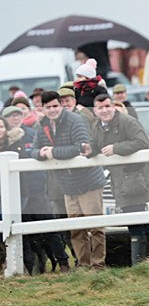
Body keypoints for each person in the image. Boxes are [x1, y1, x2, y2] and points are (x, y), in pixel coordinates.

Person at [32, 91, 107, 270]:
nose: (52, 110)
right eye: (48, 107)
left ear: (61, 105)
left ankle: (98, 264)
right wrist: (41, 154)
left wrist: (53, 152)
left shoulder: (75, 120)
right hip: (67, 185)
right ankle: (83, 264)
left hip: (88, 182)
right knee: (75, 229)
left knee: (95, 226)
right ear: (42, 108)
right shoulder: (43, 125)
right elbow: (34, 149)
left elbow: (81, 147)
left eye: (55, 106)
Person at [0, 111, 71, 273]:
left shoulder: (22, 139)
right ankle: (24, 267)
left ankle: (63, 262)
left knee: (49, 227)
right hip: (8, 196)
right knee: (17, 232)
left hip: (32, 191)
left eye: (2, 126)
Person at [89, 94, 149, 263]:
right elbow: (96, 145)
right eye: (100, 108)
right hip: (118, 180)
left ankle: (140, 261)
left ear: (113, 106)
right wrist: (89, 150)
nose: (104, 110)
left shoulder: (127, 121)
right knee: (138, 221)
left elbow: (142, 142)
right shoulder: (96, 126)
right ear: (95, 110)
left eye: (107, 106)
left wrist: (116, 148)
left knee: (136, 220)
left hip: (135, 178)